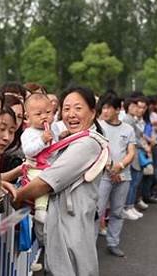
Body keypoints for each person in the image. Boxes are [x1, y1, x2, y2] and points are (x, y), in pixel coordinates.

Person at [13, 86, 108, 276]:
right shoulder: (70, 139)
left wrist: (16, 197)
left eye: (78, 108)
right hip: (63, 226)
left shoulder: (87, 143)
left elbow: (46, 182)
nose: (71, 114)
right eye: (66, 108)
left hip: (72, 229)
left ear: (92, 112)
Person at [97, 95, 136, 257]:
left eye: (108, 108)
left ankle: (113, 243)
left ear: (117, 109)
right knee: (97, 211)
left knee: (117, 212)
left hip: (123, 176)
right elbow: (97, 150)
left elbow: (131, 152)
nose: (104, 111)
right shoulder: (98, 126)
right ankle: (88, 245)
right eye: (103, 108)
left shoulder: (128, 129)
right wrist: (110, 169)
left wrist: (119, 167)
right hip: (103, 175)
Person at [20, 93, 57, 223]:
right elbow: (28, 151)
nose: (44, 116)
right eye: (38, 114)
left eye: (48, 112)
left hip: (49, 166)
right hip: (35, 168)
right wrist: (42, 140)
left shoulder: (54, 129)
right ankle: (40, 210)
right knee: (43, 180)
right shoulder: (28, 133)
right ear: (27, 117)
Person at [120, 97, 145, 219]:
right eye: (134, 106)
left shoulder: (132, 120)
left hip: (135, 152)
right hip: (132, 153)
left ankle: (130, 206)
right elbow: (134, 140)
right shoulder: (127, 120)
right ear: (128, 107)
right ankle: (127, 206)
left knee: (135, 181)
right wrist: (145, 146)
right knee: (133, 181)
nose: (137, 109)